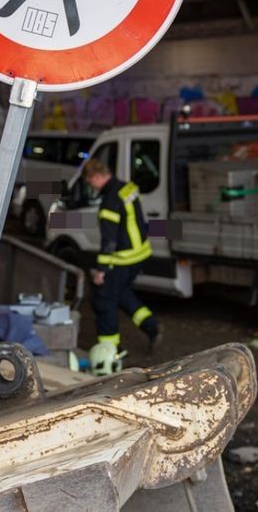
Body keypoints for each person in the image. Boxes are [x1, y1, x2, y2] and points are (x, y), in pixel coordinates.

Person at [81, 157, 160, 375]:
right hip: (139, 254)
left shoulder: (109, 200)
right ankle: (151, 326)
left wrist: (101, 271)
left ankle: (110, 351)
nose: (91, 187)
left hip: (123, 258)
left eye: (90, 183)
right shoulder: (127, 189)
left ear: (96, 177)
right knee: (122, 294)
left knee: (104, 299)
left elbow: (109, 240)